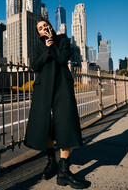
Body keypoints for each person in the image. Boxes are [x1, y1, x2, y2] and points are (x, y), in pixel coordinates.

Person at [24, 18, 89, 189]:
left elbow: (62, 59)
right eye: (40, 28)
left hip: (62, 87)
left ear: (51, 26)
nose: (44, 28)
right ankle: (51, 162)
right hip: (43, 89)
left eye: (45, 25)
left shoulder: (63, 40)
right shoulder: (38, 46)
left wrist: (52, 45)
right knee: (45, 125)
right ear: (38, 32)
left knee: (65, 124)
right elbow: (35, 66)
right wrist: (46, 48)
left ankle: (64, 171)